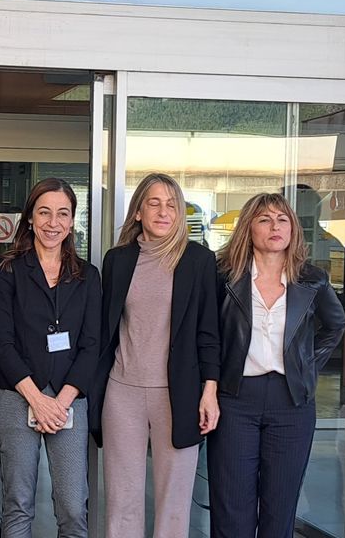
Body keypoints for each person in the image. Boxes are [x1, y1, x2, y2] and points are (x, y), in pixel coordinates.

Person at [207, 193, 345, 538]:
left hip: (291, 403)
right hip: (235, 400)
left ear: (293, 229)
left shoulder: (312, 279)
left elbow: (336, 324)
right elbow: (206, 334)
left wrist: (306, 365)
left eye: (282, 219)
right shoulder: (223, 276)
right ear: (248, 228)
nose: (275, 227)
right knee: (231, 507)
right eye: (265, 219)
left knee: (280, 508)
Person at [89, 172, 220, 538]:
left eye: (172, 205)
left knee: (174, 503)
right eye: (154, 203)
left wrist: (210, 390)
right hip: (122, 392)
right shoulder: (118, 260)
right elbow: (107, 330)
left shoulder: (198, 261)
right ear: (138, 213)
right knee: (122, 501)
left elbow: (209, 331)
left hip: (177, 394)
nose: (164, 212)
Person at [0, 178, 101, 538]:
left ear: (71, 222)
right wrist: (37, 400)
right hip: (17, 396)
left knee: (72, 506)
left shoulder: (87, 276)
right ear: (31, 218)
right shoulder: (7, 269)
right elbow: (2, 343)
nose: (53, 222)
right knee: (18, 503)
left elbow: (92, 344)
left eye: (62, 214)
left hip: (69, 400)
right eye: (45, 212)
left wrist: (61, 402)